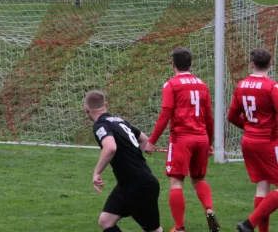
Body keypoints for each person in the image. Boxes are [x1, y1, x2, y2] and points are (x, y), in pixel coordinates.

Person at [145, 47, 219, 232]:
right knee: (199, 179)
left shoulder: (171, 85)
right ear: (190, 63)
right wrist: (209, 142)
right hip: (201, 138)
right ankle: (209, 209)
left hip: (181, 139)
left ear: (173, 65)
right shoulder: (202, 84)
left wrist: (152, 140)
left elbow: (165, 115)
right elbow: (209, 117)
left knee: (176, 182)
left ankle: (179, 228)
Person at [85, 90, 163, 232]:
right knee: (106, 221)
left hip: (138, 186)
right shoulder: (119, 121)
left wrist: (97, 172)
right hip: (129, 184)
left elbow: (110, 148)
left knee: (153, 230)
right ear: (106, 105)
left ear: (86, 110)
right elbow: (144, 139)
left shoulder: (100, 126)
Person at [228, 48, 278, 232]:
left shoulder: (241, 85)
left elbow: (232, 116)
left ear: (252, 64)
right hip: (267, 142)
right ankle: (249, 223)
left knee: (262, 186)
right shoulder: (272, 87)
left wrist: (249, 127)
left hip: (248, 141)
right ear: (270, 65)